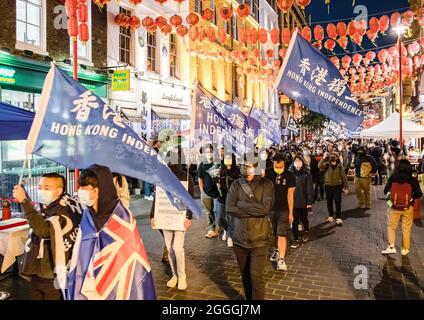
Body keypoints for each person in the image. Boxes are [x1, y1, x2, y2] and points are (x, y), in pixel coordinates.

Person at [69, 164, 156, 300]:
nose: (81, 191)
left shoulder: (122, 217)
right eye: (80, 187)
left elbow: (131, 258)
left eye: (85, 187)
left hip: (115, 285)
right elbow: (80, 251)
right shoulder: (87, 214)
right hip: (86, 281)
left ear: (101, 189)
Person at [13, 173, 82, 300]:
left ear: (59, 191)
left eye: (46, 188)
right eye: (39, 187)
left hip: (52, 273)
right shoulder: (58, 202)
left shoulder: (62, 211)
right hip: (38, 270)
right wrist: (24, 196)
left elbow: (44, 230)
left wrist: (23, 201)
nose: (41, 191)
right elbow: (39, 218)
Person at [226, 160, 274, 300]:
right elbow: (229, 207)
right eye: (244, 164)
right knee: (245, 277)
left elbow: (265, 209)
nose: (245, 167)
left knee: (256, 278)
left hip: (259, 239)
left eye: (249, 165)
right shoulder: (236, 184)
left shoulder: (267, 184)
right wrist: (254, 210)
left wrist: (240, 204)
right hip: (239, 240)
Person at [151, 148, 194, 290]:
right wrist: (153, 215)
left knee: (178, 248)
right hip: (165, 217)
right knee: (169, 248)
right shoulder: (162, 177)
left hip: (179, 218)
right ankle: (174, 275)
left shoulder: (186, 177)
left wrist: (188, 216)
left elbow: (190, 199)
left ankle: (182, 276)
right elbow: (157, 197)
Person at [382, 160, 423, 256]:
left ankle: (391, 247)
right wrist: (411, 198)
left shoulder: (393, 178)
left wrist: (390, 199)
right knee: (406, 228)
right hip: (408, 207)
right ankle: (405, 249)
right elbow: (419, 194)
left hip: (393, 207)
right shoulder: (413, 180)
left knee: (391, 227)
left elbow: (385, 191)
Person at [265, 153, 295, 271]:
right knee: (273, 234)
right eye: (275, 164)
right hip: (270, 209)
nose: (277, 166)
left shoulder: (290, 175)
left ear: (284, 162)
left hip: (284, 210)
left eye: (280, 164)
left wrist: (291, 213)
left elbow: (290, 195)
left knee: (282, 234)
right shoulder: (268, 173)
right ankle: (276, 250)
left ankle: (281, 260)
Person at [215, 153, 240, 248]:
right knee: (220, 218)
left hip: (233, 199)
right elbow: (215, 181)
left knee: (230, 218)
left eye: (230, 158)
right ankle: (226, 229)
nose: (228, 160)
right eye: (226, 158)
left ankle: (230, 237)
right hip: (222, 197)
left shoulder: (237, 171)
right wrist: (216, 181)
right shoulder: (220, 170)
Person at [289, 155, 314, 248]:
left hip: (303, 201)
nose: (297, 162)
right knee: (294, 221)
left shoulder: (306, 173)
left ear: (302, 162)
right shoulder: (290, 173)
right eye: (296, 160)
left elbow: (310, 189)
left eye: (299, 160)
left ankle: (306, 231)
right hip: (293, 201)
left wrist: (309, 202)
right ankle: (295, 239)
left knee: (304, 219)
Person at [319, 151, 349, 226]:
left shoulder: (340, 166)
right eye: (331, 156)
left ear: (337, 157)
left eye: (334, 156)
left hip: (337, 186)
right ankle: (331, 216)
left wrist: (346, 187)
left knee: (337, 202)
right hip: (328, 186)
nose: (332, 157)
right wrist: (323, 158)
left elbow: (344, 177)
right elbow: (319, 166)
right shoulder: (326, 164)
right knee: (329, 201)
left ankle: (338, 217)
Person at [197, 144, 221, 238]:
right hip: (206, 193)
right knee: (209, 212)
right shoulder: (202, 165)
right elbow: (200, 179)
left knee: (218, 211)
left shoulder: (218, 163)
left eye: (210, 152)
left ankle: (221, 228)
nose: (209, 154)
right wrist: (202, 191)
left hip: (217, 193)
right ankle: (212, 229)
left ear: (213, 152)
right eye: (207, 152)